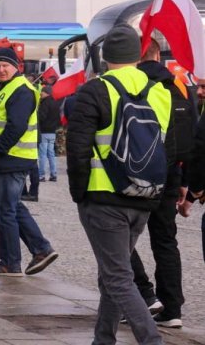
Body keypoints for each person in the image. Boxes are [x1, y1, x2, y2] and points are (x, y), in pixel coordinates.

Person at [66, 26, 174, 345]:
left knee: (117, 277)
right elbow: (169, 145)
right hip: (144, 195)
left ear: (105, 57)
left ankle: (151, 339)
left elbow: (78, 147)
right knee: (114, 275)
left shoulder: (95, 90)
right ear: (137, 55)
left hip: (104, 198)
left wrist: (79, 193)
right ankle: (103, 339)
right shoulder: (160, 91)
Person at [129, 37, 191, 329]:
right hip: (169, 175)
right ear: (158, 55)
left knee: (119, 240)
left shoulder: (134, 87)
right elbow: (185, 139)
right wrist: (183, 179)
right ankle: (172, 309)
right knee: (165, 240)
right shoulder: (179, 88)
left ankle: (143, 296)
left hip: (138, 175)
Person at [0, 47, 57, 276]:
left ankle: (11, 262)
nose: (1, 69)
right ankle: (40, 249)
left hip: (12, 157)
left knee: (5, 210)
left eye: (5, 65)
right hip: (12, 157)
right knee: (12, 206)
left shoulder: (20, 90)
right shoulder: (7, 89)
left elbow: (17, 125)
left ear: (16, 67)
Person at [38, 85, 61, 183]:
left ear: (46, 92)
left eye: (42, 92)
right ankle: (53, 174)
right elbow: (59, 119)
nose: (40, 94)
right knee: (51, 154)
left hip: (44, 131)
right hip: (52, 132)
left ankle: (41, 175)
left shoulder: (44, 103)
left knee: (42, 154)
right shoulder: (55, 103)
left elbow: (41, 117)